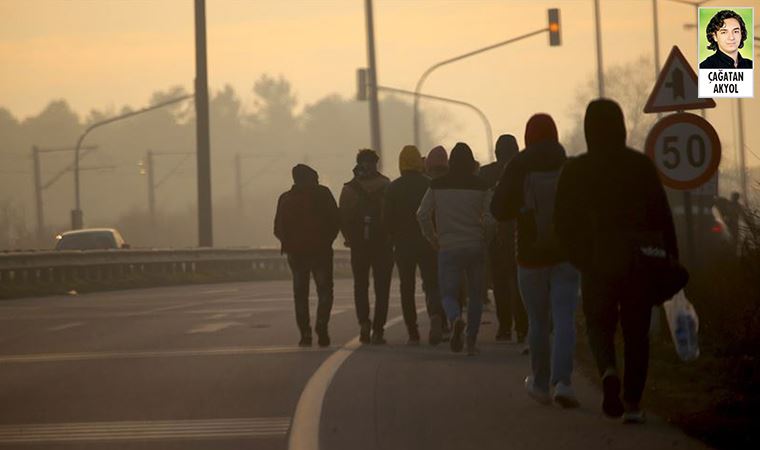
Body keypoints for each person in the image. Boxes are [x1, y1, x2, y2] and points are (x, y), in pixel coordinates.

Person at [554, 99, 680, 423]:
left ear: (588, 130)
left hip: (597, 260)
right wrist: (670, 260)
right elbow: (662, 217)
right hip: (639, 261)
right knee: (637, 330)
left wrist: (579, 256)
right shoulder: (639, 166)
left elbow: (562, 222)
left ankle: (608, 371)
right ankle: (634, 402)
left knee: (598, 323)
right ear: (621, 126)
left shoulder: (576, 169)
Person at [491, 114, 580, 408]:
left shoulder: (518, 165)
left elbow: (498, 209)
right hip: (566, 253)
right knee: (564, 317)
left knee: (538, 321)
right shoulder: (567, 163)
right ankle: (564, 382)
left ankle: (540, 384)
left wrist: (521, 209)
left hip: (530, 255)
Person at [417, 142, 490, 356]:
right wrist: (487, 239)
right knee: (476, 296)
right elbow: (490, 220)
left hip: (448, 247)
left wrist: (433, 238)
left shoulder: (437, 185)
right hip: (475, 246)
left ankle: (455, 318)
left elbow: (421, 214)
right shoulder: (482, 185)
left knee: (448, 294)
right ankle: (470, 342)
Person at [274, 164, 340, 347]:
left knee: (300, 294)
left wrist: (289, 244)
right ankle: (322, 326)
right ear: (312, 178)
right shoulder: (323, 194)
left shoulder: (285, 199)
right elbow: (336, 220)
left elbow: (278, 228)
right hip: (321, 252)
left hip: (296, 256)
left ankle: (305, 334)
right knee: (325, 291)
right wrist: (327, 240)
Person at [384, 145, 445, 345]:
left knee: (407, 287)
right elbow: (436, 215)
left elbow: (387, 220)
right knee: (432, 283)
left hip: (403, 246)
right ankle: (436, 316)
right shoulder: (429, 184)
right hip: (428, 243)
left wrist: (393, 238)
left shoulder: (393, 188)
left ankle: (413, 331)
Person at [339, 149, 394, 345]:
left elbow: (342, 219)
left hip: (359, 247)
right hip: (383, 246)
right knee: (382, 288)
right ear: (376, 163)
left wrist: (348, 239)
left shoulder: (349, 189)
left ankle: (364, 324)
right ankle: (378, 330)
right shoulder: (387, 185)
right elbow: (393, 216)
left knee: (360, 286)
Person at [479, 134, 528, 343]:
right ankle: (523, 327)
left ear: (496, 152)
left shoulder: (486, 173)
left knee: (499, 283)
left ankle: (504, 327)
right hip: (520, 234)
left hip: (495, 235)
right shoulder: (524, 170)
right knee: (519, 282)